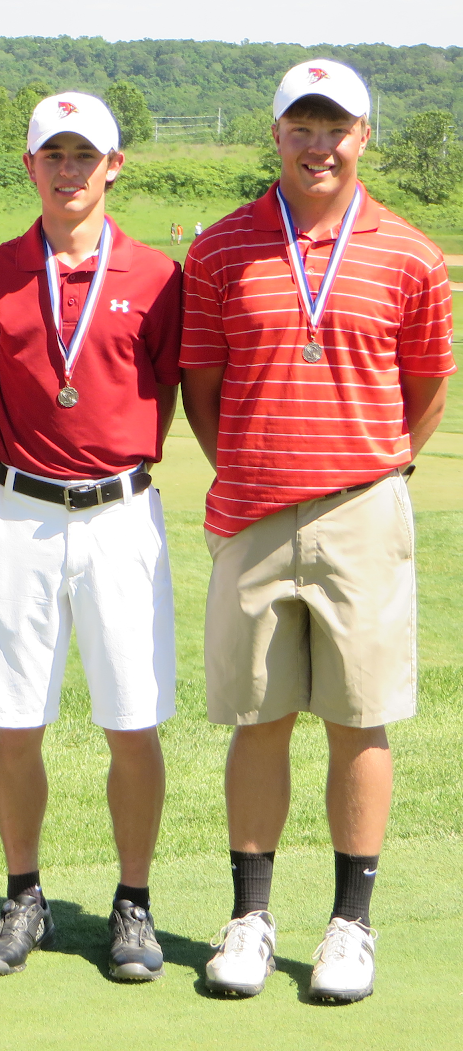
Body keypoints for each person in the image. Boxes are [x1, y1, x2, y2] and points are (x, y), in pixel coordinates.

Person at [182, 59, 451, 1003]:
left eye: (336, 127)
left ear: (364, 137)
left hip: (361, 516)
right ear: (276, 135)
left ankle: (351, 926)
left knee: (357, 715)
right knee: (258, 718)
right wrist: (259, 468)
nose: (318, 143)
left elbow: (424, 396)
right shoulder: (219, 250)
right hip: (251, 513)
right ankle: (251, 921)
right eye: (301, 125)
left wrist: (360, 470)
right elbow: (202, 394)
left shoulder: (411, 254)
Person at [0, 93, 181, 981]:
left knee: (132, 719)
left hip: (122, 515)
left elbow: (169, 384)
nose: (68, 169)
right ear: (29, 168)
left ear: (114, 165)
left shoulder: (160, 276)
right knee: (15, 721)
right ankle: (23, 897)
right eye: (52, 154)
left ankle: (134, 904)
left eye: (85, 154)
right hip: (19, 513)